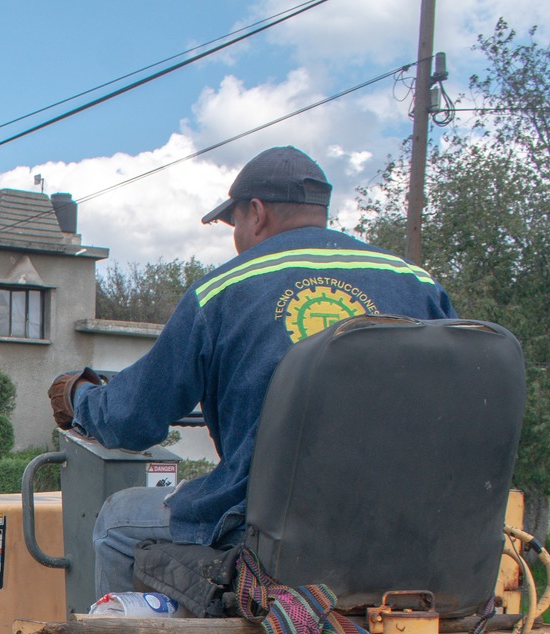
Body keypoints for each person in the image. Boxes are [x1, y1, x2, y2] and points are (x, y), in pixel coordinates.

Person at [49, 146, 457, 598]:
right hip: (407, 529)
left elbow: (133, 417)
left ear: (256, 213)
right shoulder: (419, 285)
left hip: (269, 530)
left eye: (234, 223)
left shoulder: (223, 292)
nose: (237, 236)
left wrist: (81, 400)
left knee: (115, 521)